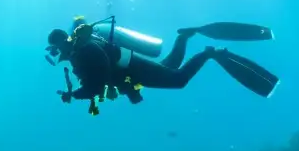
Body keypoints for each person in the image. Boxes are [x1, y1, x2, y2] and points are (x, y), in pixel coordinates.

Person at [45, 17, 280, 116]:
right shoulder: (79, 54)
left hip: (133, 70)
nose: (57, 55)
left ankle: (210, 54)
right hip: (131, 73)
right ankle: (185, 37)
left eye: (56, 50)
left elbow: (98, 82)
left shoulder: (88, 50)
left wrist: (74, 95)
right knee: (171, 64)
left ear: (63, 43)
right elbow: (98, 82)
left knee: (178, 80)